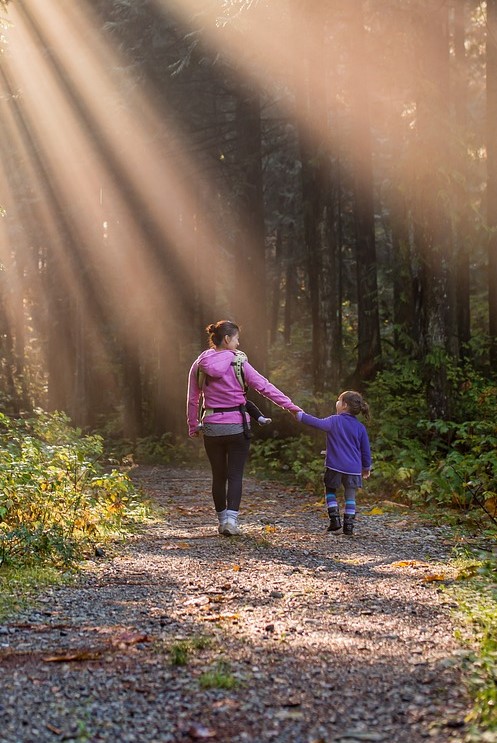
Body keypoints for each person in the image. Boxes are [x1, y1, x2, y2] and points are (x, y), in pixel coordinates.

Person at [187, 320, 301, 536]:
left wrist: (193, 425)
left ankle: (221, 522)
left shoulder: (199, 363)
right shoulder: (239, 363)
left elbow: (193, 399)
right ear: (228, 339)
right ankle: (231, 521)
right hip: (237, 427)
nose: (238, 344)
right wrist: (291, 407)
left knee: (218, 476)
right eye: (237, 338)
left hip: (212, 426)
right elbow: (265, 387)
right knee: (235, 475)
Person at [295, 390, 371, 536]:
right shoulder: (360, 428)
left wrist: (299, 415)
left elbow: (316, 423)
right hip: (353, 469)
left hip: (335, 466)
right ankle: (349, 526)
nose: (336, 402)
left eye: (338, 400)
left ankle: (335, 520)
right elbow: (365, 450)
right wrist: (366, 468)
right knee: (350, 495)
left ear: (344, 405)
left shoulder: (334, 421)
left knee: (330, 491)